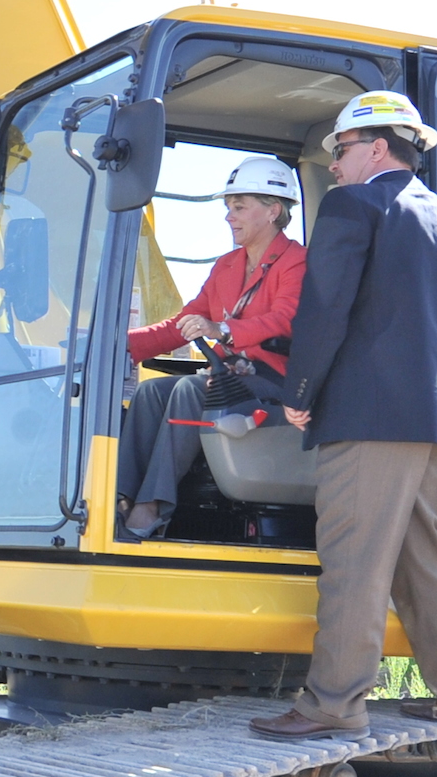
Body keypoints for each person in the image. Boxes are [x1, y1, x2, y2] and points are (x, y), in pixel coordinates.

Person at [250, 91, 437, 739]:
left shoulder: (354, 204)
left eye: (339, 151)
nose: (333, 167)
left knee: (354, 562)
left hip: (367, 421)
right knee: (420, 564)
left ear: (375, 147)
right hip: (430, 423)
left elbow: (326, 308)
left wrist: (300, 390)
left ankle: (333, 705)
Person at [115, 155, 307, 541]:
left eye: (239, 207)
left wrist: (222, 329)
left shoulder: (297, 262)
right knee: (152, 391)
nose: (228, 217)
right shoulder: (227, 266)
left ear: (273, 211)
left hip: (276, 383)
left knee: (190, 388)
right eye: (228, 208)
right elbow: (182, 324)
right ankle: (119, 498)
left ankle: (151, 507)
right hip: (230, 378)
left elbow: (284, 321)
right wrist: (118, 345)